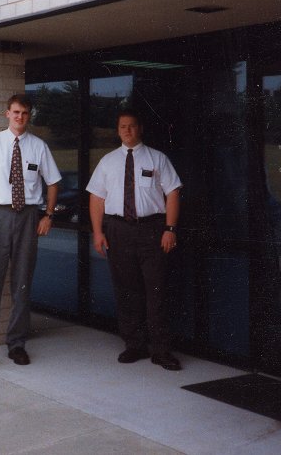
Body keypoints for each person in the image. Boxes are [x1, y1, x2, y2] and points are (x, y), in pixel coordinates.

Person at [0, 93, 61, 371]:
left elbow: (53, 182)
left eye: (25, 113)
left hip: (28, 217)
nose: (20, 117)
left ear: (29, 116)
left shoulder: (38, 147)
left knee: (22, 285)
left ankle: (17, 344)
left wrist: (48, 215)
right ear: (7, 113)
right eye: (16, 112)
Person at [87, 109, 182, 371]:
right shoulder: (107, 162)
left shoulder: (157, 159)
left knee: (156, 291)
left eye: (131, 126)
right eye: (122, 127)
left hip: (152, 230)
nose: (127, 131)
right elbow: (96, 198)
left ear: (140, 128)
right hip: (118, 230)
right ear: (117, 131)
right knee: (126, 291)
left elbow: (173, 193)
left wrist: (170, 228)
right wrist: (98, 232)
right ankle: (134, 345)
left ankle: (161, 350)